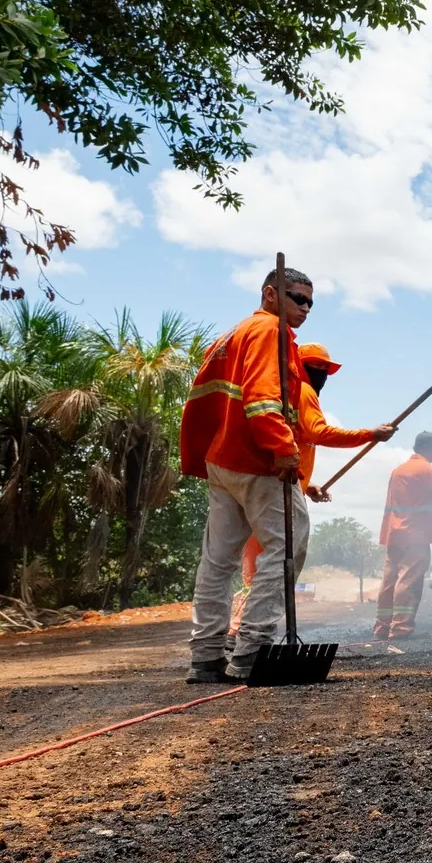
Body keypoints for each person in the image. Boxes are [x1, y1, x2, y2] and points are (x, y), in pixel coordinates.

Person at [178, 268, 313, 683]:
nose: (305, 308)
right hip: (256, 461)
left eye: (310, 301)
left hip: (221, 461)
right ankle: (252, 649)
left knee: (217, 561)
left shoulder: (231, 336)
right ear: (270, 294)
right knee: (289, 544)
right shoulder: (269, 332)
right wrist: (285, 451)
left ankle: (205, 657)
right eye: (296, 298)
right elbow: (261, 401)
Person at [238, 342, 395, 587]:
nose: (321, 372)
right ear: (299, 366)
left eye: (324, 367)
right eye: (315, 365)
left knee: (260, 553)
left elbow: (292, 441)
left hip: (275, 483)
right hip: (279, 490)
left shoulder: (285, 393)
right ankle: (250, 620)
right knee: (283, 552)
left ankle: (245, 619)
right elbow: (319, 433)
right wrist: (369, 434)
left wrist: (306, 485)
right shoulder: (304, 391)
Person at [374, 431, 432, 639]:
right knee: (408, 581)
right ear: (431, 449)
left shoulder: (398, 471)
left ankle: (382, 627)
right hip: (415, 535)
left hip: (394, 533)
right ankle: (400, 628)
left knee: (389, 580)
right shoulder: (425, 469)